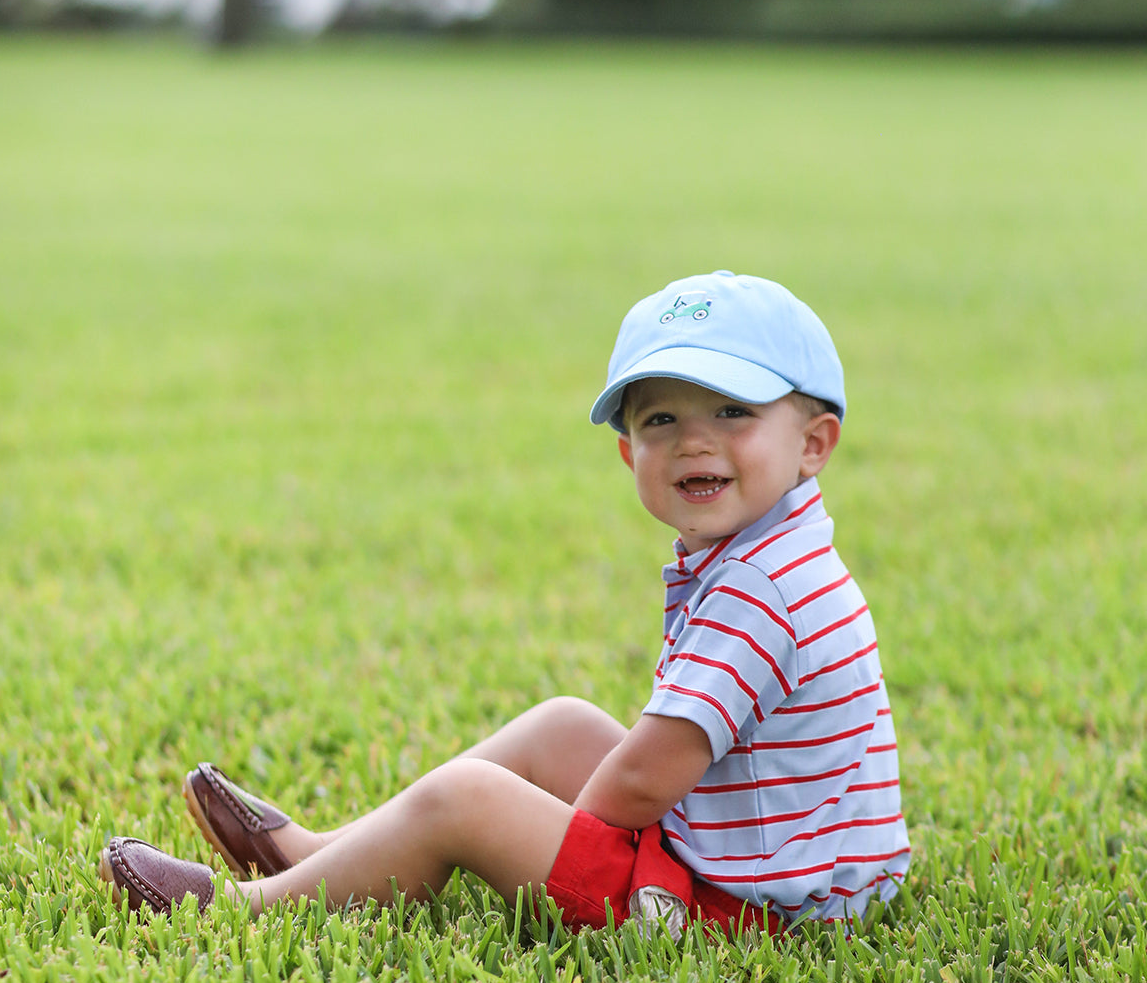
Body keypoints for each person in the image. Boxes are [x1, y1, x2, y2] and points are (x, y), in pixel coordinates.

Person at [100, 271, 910, 935]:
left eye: (732, 411)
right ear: (629, 452)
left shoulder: (760, 590)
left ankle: (254, 911)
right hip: (794, 875)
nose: (693, 441)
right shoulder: (780, 551)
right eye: (661, 419)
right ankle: (333, 851)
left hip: (747, 914)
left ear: (813, 442)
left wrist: (556, 842)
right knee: (562, 723)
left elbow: (648, 776)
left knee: (470, 802)